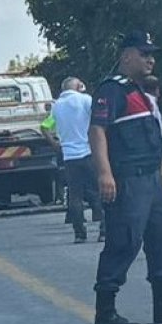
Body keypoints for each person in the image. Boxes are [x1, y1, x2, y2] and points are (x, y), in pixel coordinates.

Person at [89, 30, 162, 324]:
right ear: (127, 57)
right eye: (144, 54)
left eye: (152, 55)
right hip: (128, 179)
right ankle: (105, 312)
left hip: (152, 179)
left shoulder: (140, 91)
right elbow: (97, 131)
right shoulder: (113, 90)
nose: (150, 60)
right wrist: (104, 173)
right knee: (124, 241)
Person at [41, 77, 104, 243]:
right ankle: (104, 231)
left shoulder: (57, 106)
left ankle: (79, 234)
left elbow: (44, 127)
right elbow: (98, 119)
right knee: (99, 191)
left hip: (69, 157)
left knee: (75, 196)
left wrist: (55, 144)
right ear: (78, 86)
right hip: (88, 153)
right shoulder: (85, 100)